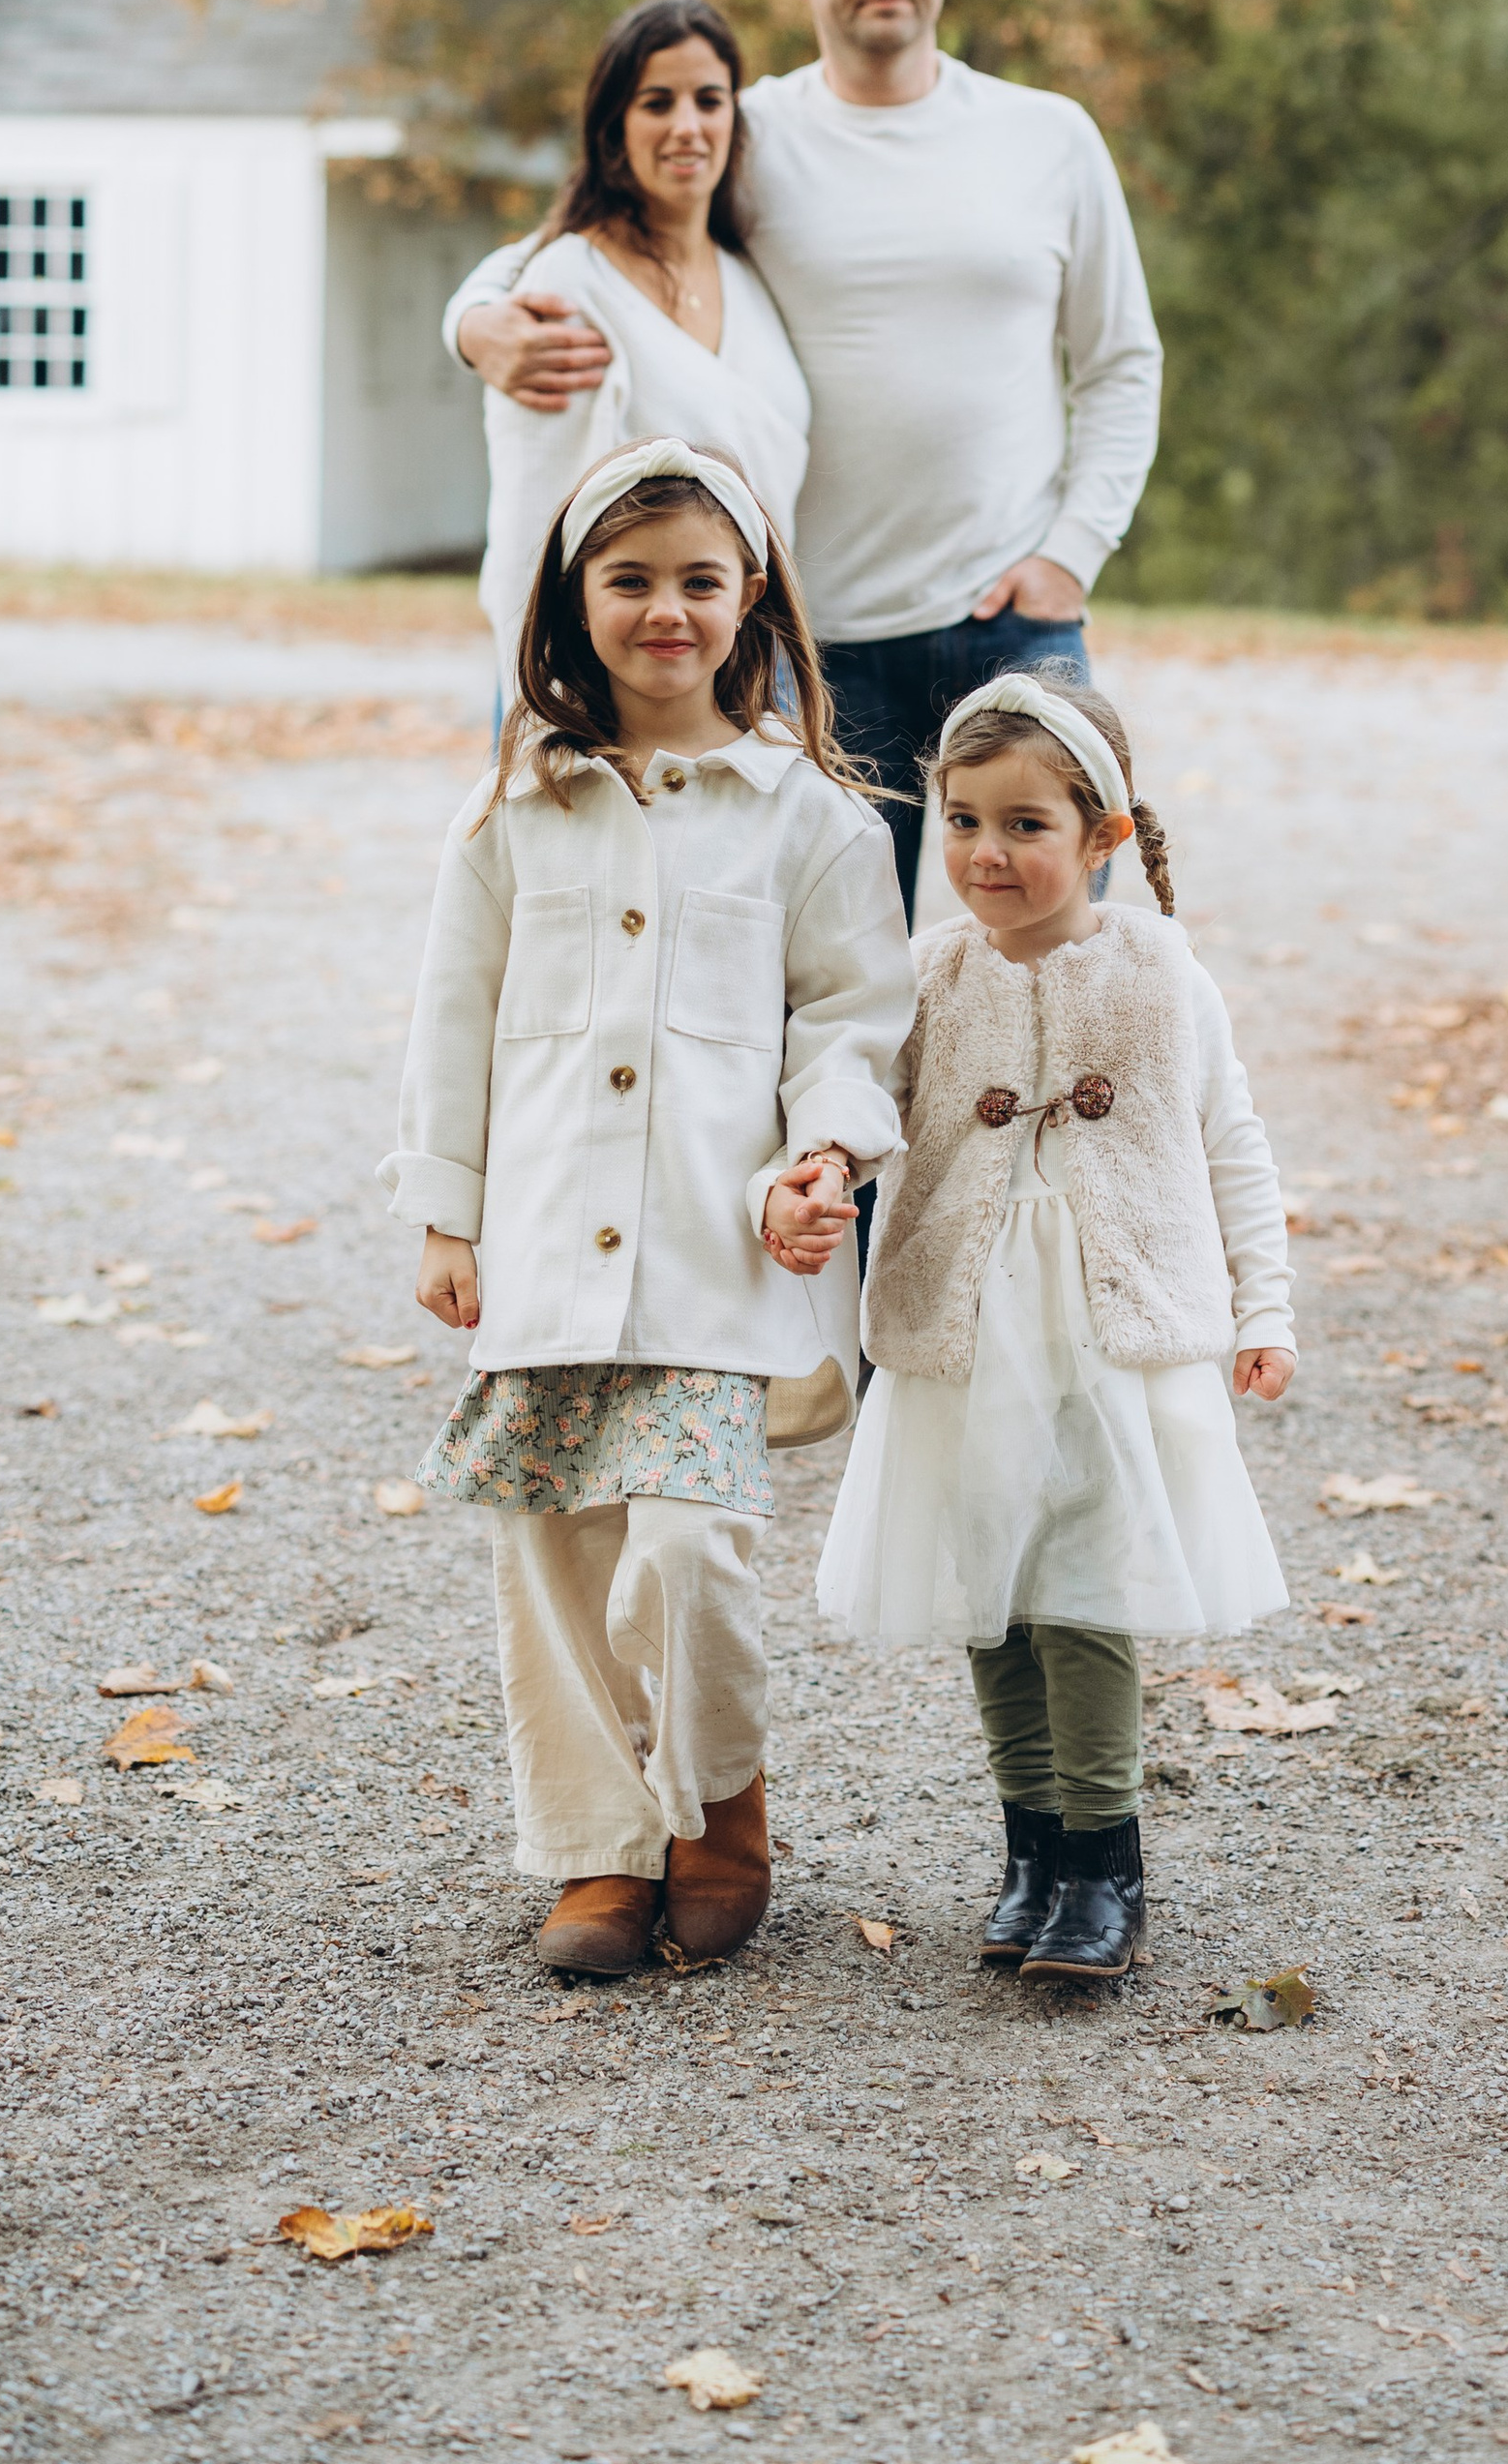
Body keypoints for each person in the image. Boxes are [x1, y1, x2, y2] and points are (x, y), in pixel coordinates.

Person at [384, 436, 915, 1976]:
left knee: (684, 1547)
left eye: (698, 579)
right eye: (629, 579)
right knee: (554, 1552)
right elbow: (451, 1023)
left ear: (751, 600)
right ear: (572, 599)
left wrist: (829, 1154)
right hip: (547, 1250)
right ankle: (599, 1850)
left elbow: (852, 1025)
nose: (664, 609)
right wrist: (446, 1213)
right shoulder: (510, 815)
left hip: (713, 1250)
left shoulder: (806, 818)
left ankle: (716, 1805)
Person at [444, 0, 1162, 905]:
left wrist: (1073, 551)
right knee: (825, 979)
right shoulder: (744, 126)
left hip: (1014, 620)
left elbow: (1120, 362)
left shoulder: (1047, 137)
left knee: (1052, 950)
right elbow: (582, 223)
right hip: (808, 646)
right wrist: (472, 320)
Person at [813, 668, 1296, 1986]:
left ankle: (1104, 1865)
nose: (986, 853)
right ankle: (1029, 1849)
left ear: (1103, 836)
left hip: (1102, 1330)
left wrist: (1265, 1305)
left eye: (1025, 824)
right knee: (995, 1596)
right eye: (963, 820)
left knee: (1083, 1591)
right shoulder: (924, 977)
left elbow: (1230, 1143)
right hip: (968, 1330)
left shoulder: (1160, 974)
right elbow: (857, 1111)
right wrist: (817, 1173)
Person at [471, 0, 809, 681]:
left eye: (708, 100)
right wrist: (542, 705)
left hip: (752, 666)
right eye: (657, 102)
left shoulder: (748, 274)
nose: (687, 126)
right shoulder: (570, 283)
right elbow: (532, 526)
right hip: (621, 681)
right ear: (613, 127)